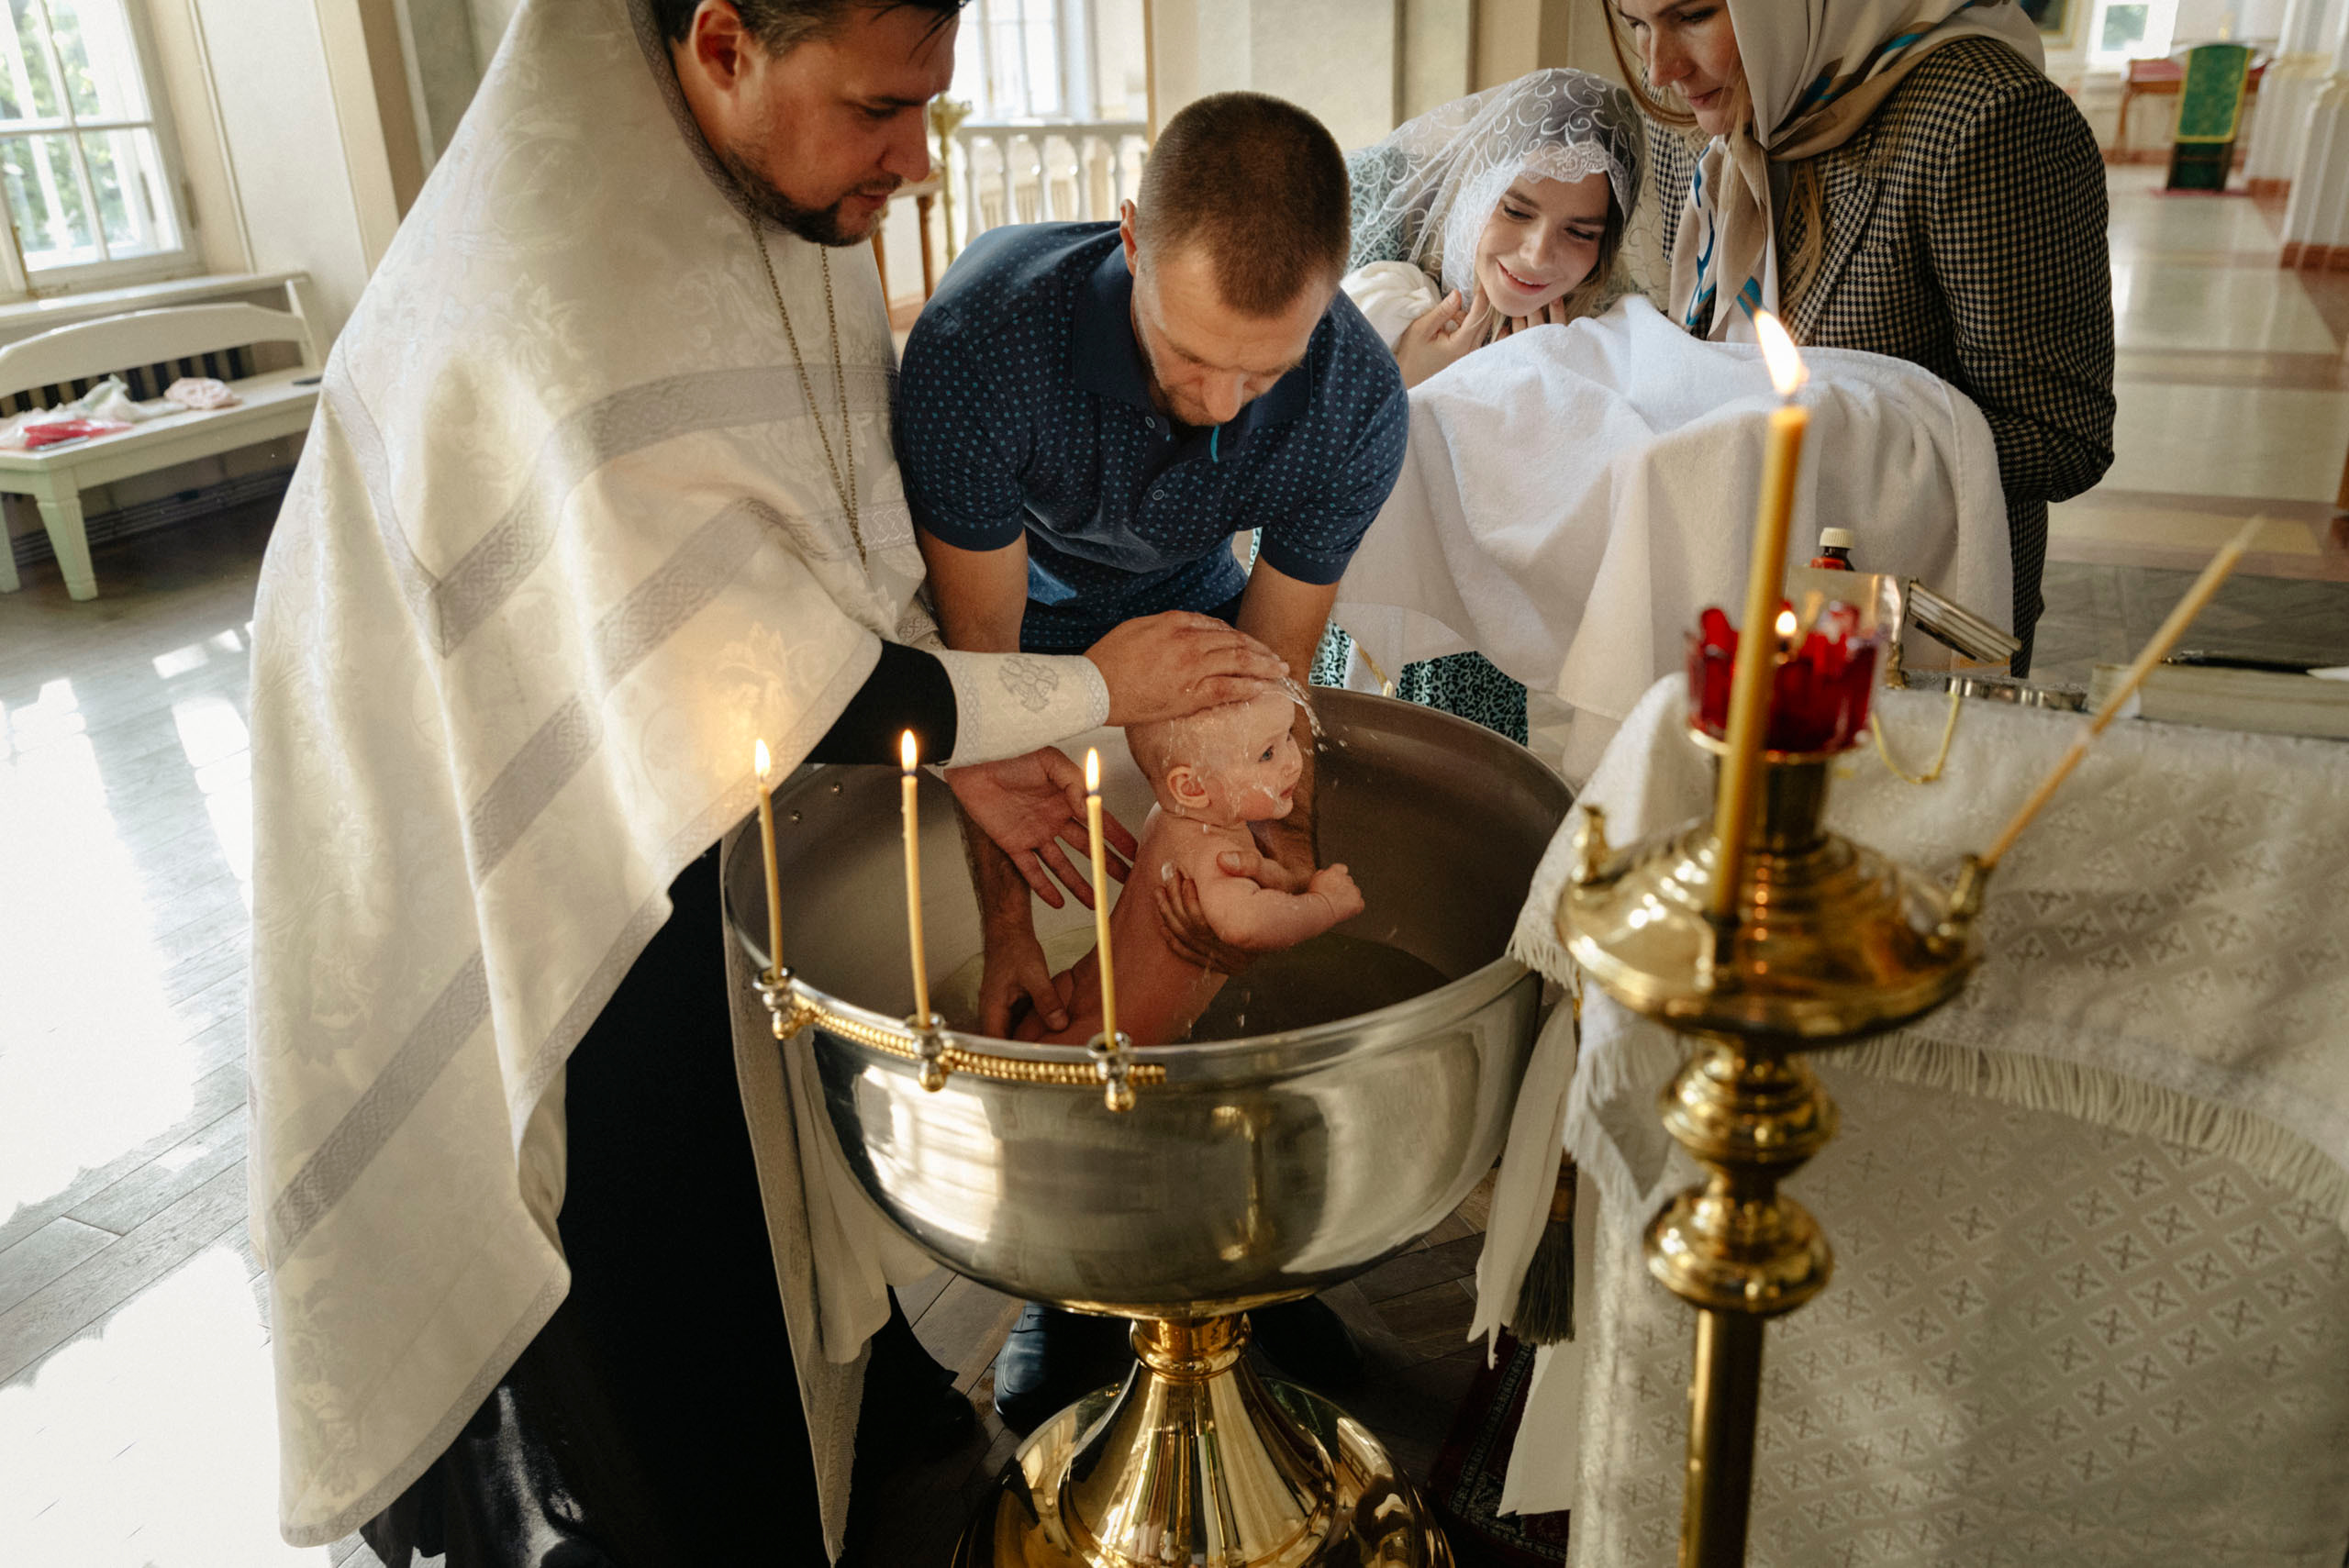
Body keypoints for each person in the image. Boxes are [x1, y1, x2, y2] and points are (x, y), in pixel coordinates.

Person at [243, 3, 1289, 1564]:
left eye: (930, 104)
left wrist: (967, 757)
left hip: (676, 781)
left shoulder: (764, 177)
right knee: (650, 1247)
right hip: (514, 825)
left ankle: (835, 1449)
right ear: (725, 40)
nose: (912, 161)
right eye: (880, 109)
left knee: (761, 1155)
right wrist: (1090, 691)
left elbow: (803, 548)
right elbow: (751, 655)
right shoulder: (575, 279)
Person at [895, 89, 1404, 1431]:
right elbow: (976, 665)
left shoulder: (1354, 398)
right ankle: (1073, 1284)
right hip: (1024, 614)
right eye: (1190, 355)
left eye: (1266, 367)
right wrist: (1009, 924)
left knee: (1204, 912)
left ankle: (1247, 1262)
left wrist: (1239, 851)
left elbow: (1269, 678)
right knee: (1047, 942)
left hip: (1195, 608)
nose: (1221, 401)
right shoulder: (979, 350)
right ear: (1128, 239)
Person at [1612, 0, 2115, 673]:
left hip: (1891, 631)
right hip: (1715, 592)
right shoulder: (1693, 113)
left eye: (1695, 14)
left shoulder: (1986, 117)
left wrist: (1810, 445)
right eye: (1634, 22)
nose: (1659, 67)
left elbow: (2063, 436)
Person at [1311, 68, 1647, 743]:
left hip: (1498, 643)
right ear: (1473, 191)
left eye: (1579, 232)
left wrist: (1548, 393)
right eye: (1516, 210)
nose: (1537, 254)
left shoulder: (1606, 344)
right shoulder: (1391, 304)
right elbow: (1293, 465)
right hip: (1362, 612)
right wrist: (1403, 379)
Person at [1015, 691, 1365, 1048]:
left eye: (1288, 734)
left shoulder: (1167, 817)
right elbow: (1246, 926)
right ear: (1192, 787)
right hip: (1122, 1038)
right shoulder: (1218, 853)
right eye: (1267, 754)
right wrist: (1326, 904)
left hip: (1070, 991)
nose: (1292, 762)